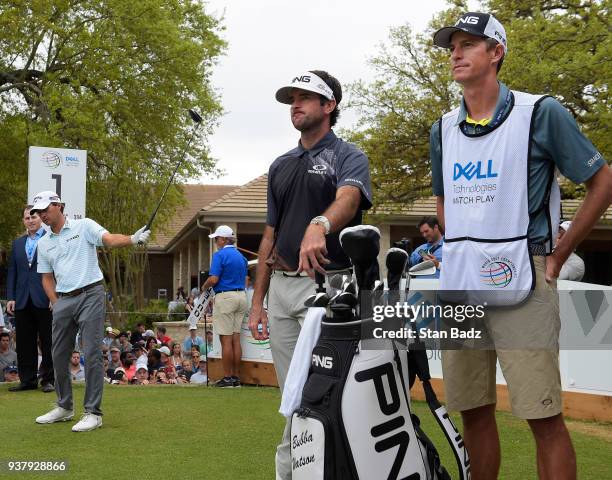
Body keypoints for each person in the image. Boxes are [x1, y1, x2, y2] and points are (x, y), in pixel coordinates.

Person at [430, 12, 612, 479]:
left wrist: (559, 254)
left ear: (496, 53)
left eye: (469, 43)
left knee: (542, 414)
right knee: (471, 408)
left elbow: (602, 181)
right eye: (453, 45)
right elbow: (444, 201)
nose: (456, 52)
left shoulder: (541, 112)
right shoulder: (443, 129)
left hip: (525, 274)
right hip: (462, 283)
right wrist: (458, 248)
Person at [247, 70, 372, 479]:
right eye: (291, 99)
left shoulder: (348, 156)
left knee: (326, 394)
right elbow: (270, 236)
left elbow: (349, 199)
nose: (295, 105)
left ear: (329, 106)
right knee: (294, 397)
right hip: (281, 290)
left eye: (305, 97)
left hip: (329, 288)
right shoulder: (281, 165)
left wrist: (320, 224)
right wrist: (257, 303)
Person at [31, 191, 151, 432]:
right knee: (58, 354)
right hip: (63, 299)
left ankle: (93, 413)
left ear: (59, 206)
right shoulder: (43, 242)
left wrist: (132, 238)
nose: (42, 215)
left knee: (93, 352)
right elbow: (46, 278)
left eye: (46, 209)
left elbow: (107, 239)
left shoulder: (83, 225)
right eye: (39, 212)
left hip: (91, 294)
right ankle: (64, 406)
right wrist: (56, 302)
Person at [6, 206, 54, 392]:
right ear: (23, 221)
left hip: (45, 297)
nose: (30, 220)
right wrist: (11, 296)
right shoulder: (17, 243)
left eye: (33, 216)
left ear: (40, 218)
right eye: (27, 217)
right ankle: (27, 380)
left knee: (48, 341)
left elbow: (58, 268)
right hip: (22, 299)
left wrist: (54, 295)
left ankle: (49, 380)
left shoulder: (51, 239)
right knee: (25, 342)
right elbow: (13, 271)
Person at [201, 225, 248, 388]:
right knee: (236, 339)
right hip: (242, 296)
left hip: (226, 297)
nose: (215, 242)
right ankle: (236, 378)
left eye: (216, 239)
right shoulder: (241, 257)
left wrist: (204, 286)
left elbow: (213, 279)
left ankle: (228, 378)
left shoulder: (219, 255)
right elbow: (246, 279)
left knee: (226, 340)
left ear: (223, 239)